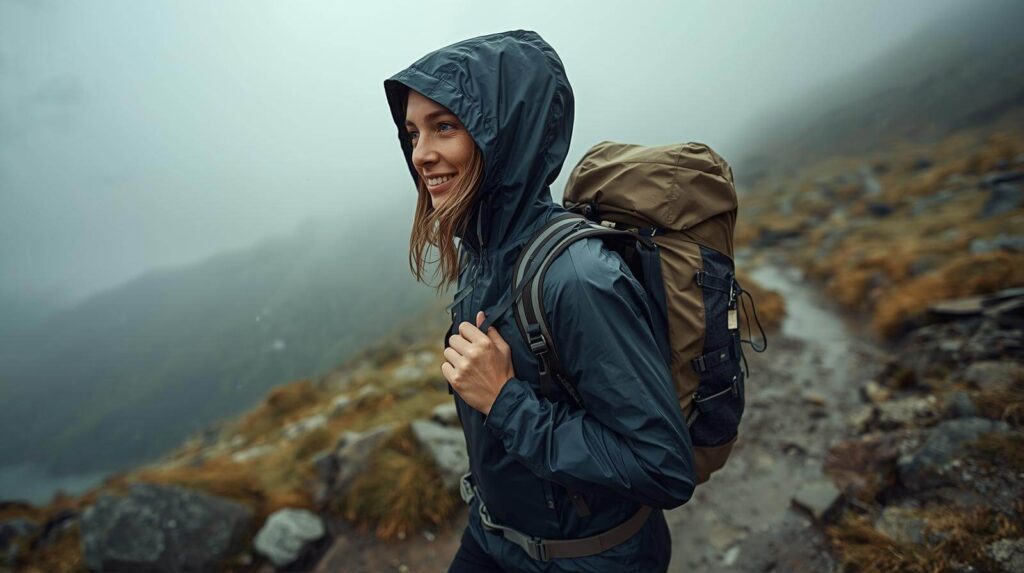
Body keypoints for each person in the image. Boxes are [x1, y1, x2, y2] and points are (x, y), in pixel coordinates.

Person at [384, 30, 697, 572]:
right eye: (413, 133)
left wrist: (505, 401)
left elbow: (663, 467)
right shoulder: (485, 250)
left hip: (587, 559)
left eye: (445, 127)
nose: (422, 154)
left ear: (502, 132)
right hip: (493, 535)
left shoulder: (579, 279)